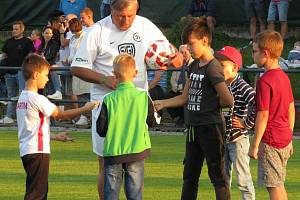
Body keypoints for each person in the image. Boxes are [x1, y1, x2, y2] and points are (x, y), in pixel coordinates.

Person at [71, 0, 182, 199]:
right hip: (107, 105)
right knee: (106, 163)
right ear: (111, 10)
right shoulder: (97, 31)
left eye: (130, 15)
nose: (126, 20)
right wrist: (104, 78)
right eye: (120, 15)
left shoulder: (145, 26)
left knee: (136, 164)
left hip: (136, 105)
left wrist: (173, 56)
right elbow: (77, 67)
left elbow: (171, 53)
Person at [154, 18, 233, 200]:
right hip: (193, 129)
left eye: (191, 44)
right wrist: (163, 103)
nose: (188, 49)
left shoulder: (213, 68)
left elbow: (228, 99)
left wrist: (209, 104)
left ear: (205, 40)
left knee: (218, 178)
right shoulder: (195, 66)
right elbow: (184, 97)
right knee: (189, 177)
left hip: (211, 128)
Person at [16, 54, 98, 200]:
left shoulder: (22, 97)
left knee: (37, 190)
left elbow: (31, 129)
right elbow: (60, 114)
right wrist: (85, 108)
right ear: (36, 75)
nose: (47, 79)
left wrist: (55, 137)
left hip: (27, 150)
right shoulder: (37, 98)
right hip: (38, 151)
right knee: (37, 194)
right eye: (45, 75)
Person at [96, 53, 156, 200]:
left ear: (114, 75)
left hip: (114, 152)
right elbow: (151, 122)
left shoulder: (108, 99)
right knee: (135, 194)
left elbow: (101, 129)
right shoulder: (143, 97)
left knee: (111, 194)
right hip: (137, 150)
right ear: (135, 73)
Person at [249, 30, 295, 200]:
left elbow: (263, 114)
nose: (252, 55)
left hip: (270, 140)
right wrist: (289, 136)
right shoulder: (284, 77)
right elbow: (291, 109)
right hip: (284, 139)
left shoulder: (265, 80)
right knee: (279, 184)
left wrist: (255, 144)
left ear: (266, 53)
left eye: (254, 51)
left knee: (273, 186)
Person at [215, 46, 256, 200]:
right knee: (224, 179)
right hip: (223, 139)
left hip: (238, 140)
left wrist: (247, 123)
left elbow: (257, 102)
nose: (219, 68)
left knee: (243, 180)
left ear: (235, 68)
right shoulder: (221, 85)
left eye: (222, 65)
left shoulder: (242, 86)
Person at [0, 21, 35, 124]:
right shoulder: (8, 41)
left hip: (21, 72)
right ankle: (9, 117)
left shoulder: (27, 42)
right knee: (11, 95)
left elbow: (31, 56)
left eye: (16, 29)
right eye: (13, 29)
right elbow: (4, 55)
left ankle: (25, 118)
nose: (14, 31)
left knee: (23, 95)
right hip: (8, 73)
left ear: (22, 30)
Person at [68, 18, 91, 126]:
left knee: (86, 94)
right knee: (79, 94)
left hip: (84, 68)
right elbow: (71, 53)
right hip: (74, 68)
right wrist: (68, 59)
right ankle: (84, 116)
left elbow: (83, 53)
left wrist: (71, 59)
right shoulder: (72, 38)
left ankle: (85, 117)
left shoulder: (85, 36)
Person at [167, 44, 193, 125]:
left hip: (187, 90)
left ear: (189, 52)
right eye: (181, 52)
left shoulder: (193, 64)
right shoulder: (178, 64)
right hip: (177, 89)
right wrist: (177, 88)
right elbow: (172, 80)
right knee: (167, 96)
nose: (183, 54)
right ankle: (177, 118)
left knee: (184, 97)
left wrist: (182, 88)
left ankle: (184, 119)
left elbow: (190, 80)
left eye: (185, 52)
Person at [38, 26, 62, 99]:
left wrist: (43, 58)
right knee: (47, 90)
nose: (48, 35)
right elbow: (39, 55)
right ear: (43, 34)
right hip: (43, 69)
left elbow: (52, 55)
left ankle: (58, 105)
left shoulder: (54, 43)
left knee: (52, 89)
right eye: (46, 33)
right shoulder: (41, 45)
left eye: (50, 33)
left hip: (51, 66)